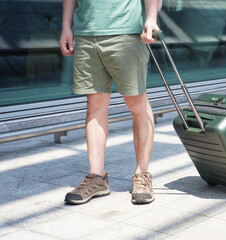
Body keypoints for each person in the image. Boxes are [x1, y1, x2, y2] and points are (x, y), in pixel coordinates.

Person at [59, 0, 159, 205]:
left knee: (136, 104)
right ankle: (96, 178)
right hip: (86, 32)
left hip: (126, 31)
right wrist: (66, 27)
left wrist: (151, 18)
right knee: (94, 106)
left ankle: (142, 174)